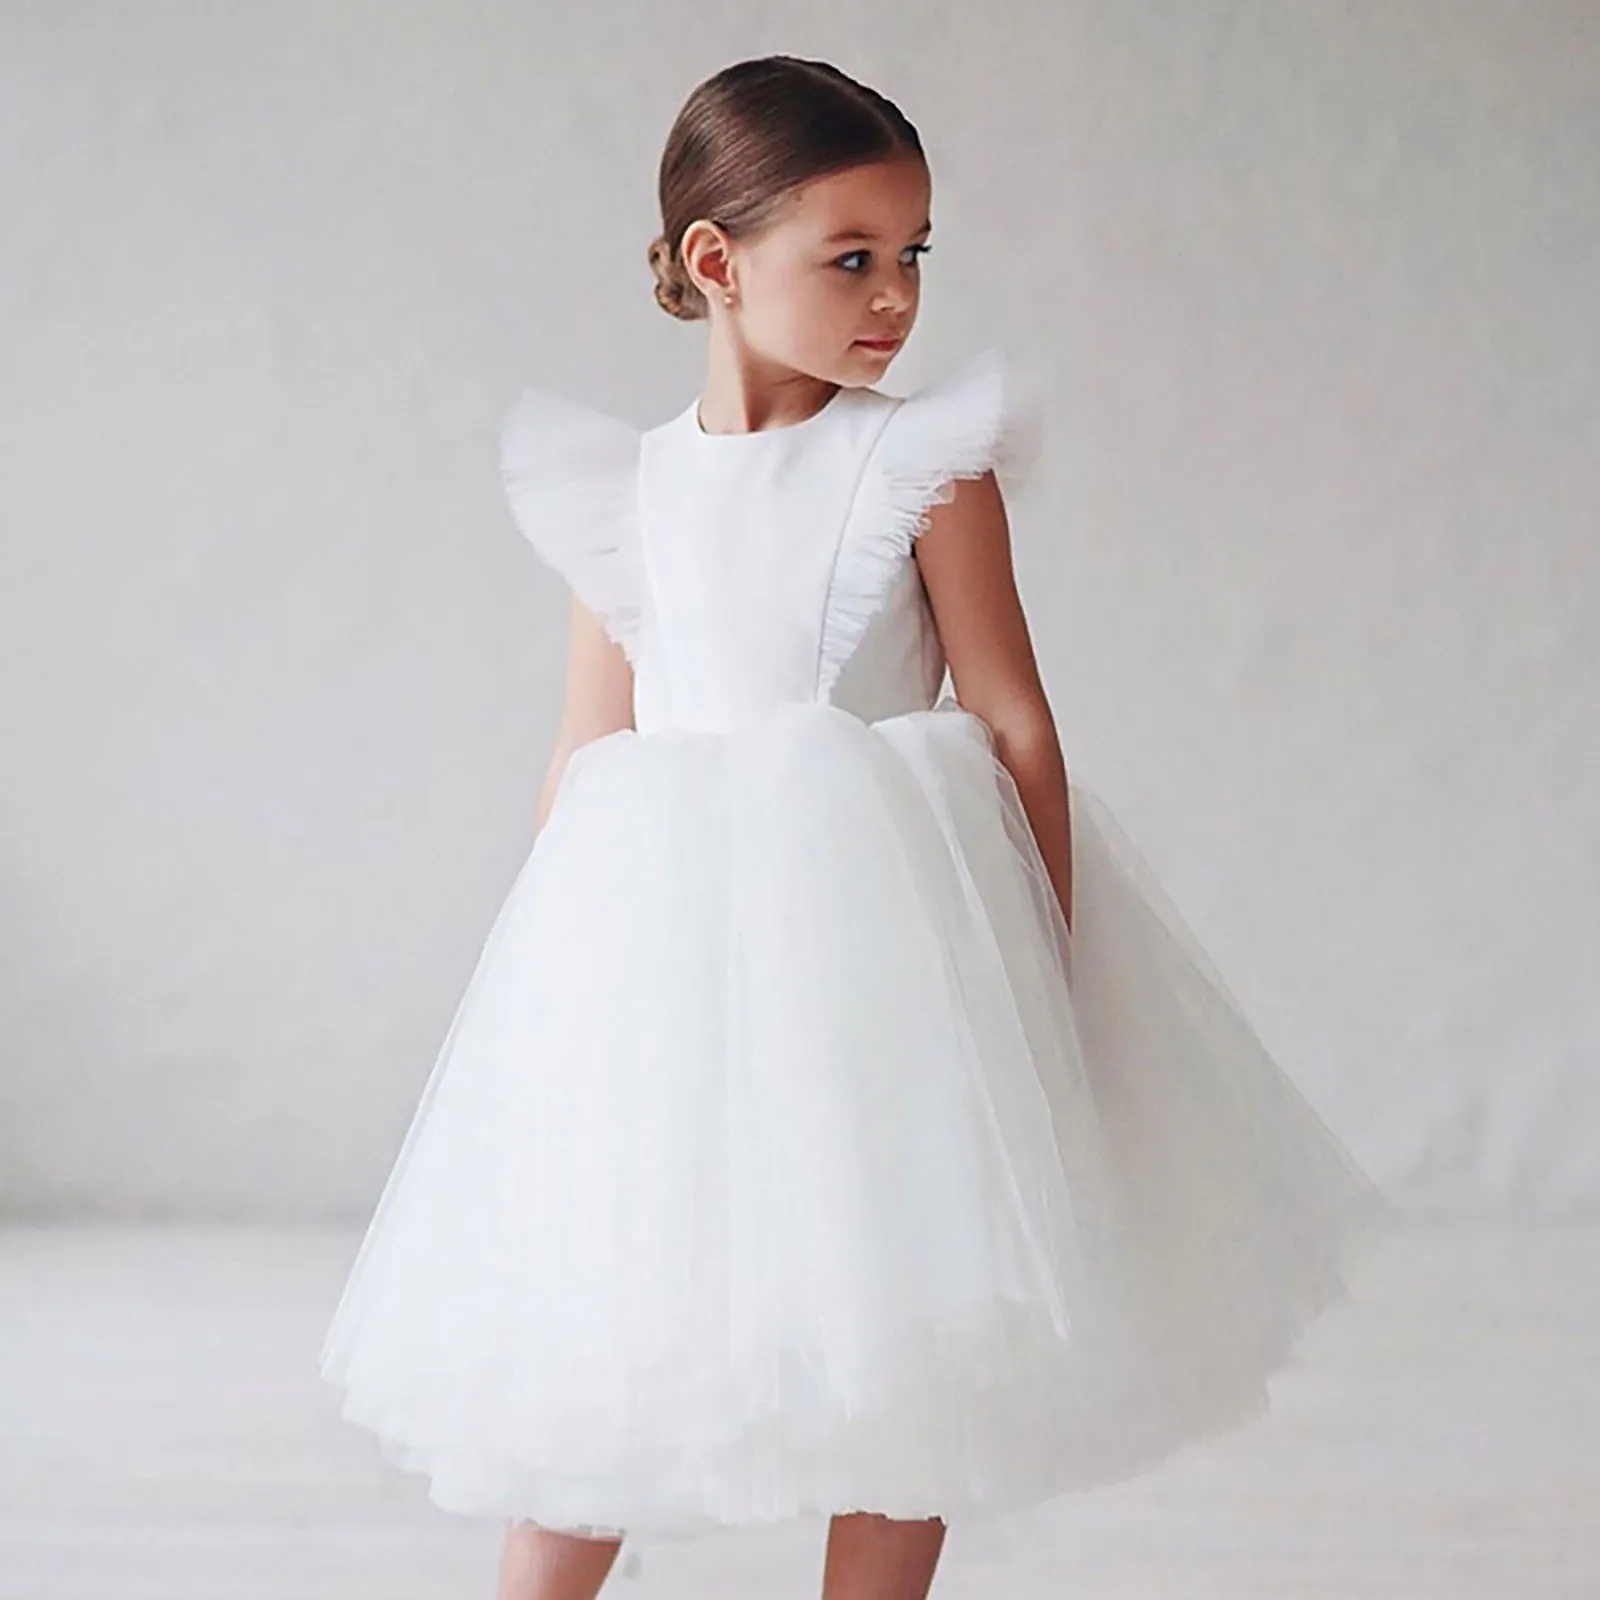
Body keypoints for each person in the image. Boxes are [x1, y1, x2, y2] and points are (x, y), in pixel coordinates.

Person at [318, 54, 1395, 1600]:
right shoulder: (623, 494)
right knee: (614, 1320)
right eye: (852, 258)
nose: (895, 298)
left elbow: (1013, 718)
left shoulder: (920, 467)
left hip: (884, 965)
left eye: (912, 258)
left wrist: (1047, 955)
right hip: (665, 967)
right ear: (715, 262)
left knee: (908, 1322)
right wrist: (539, 1003)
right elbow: (585, 750)